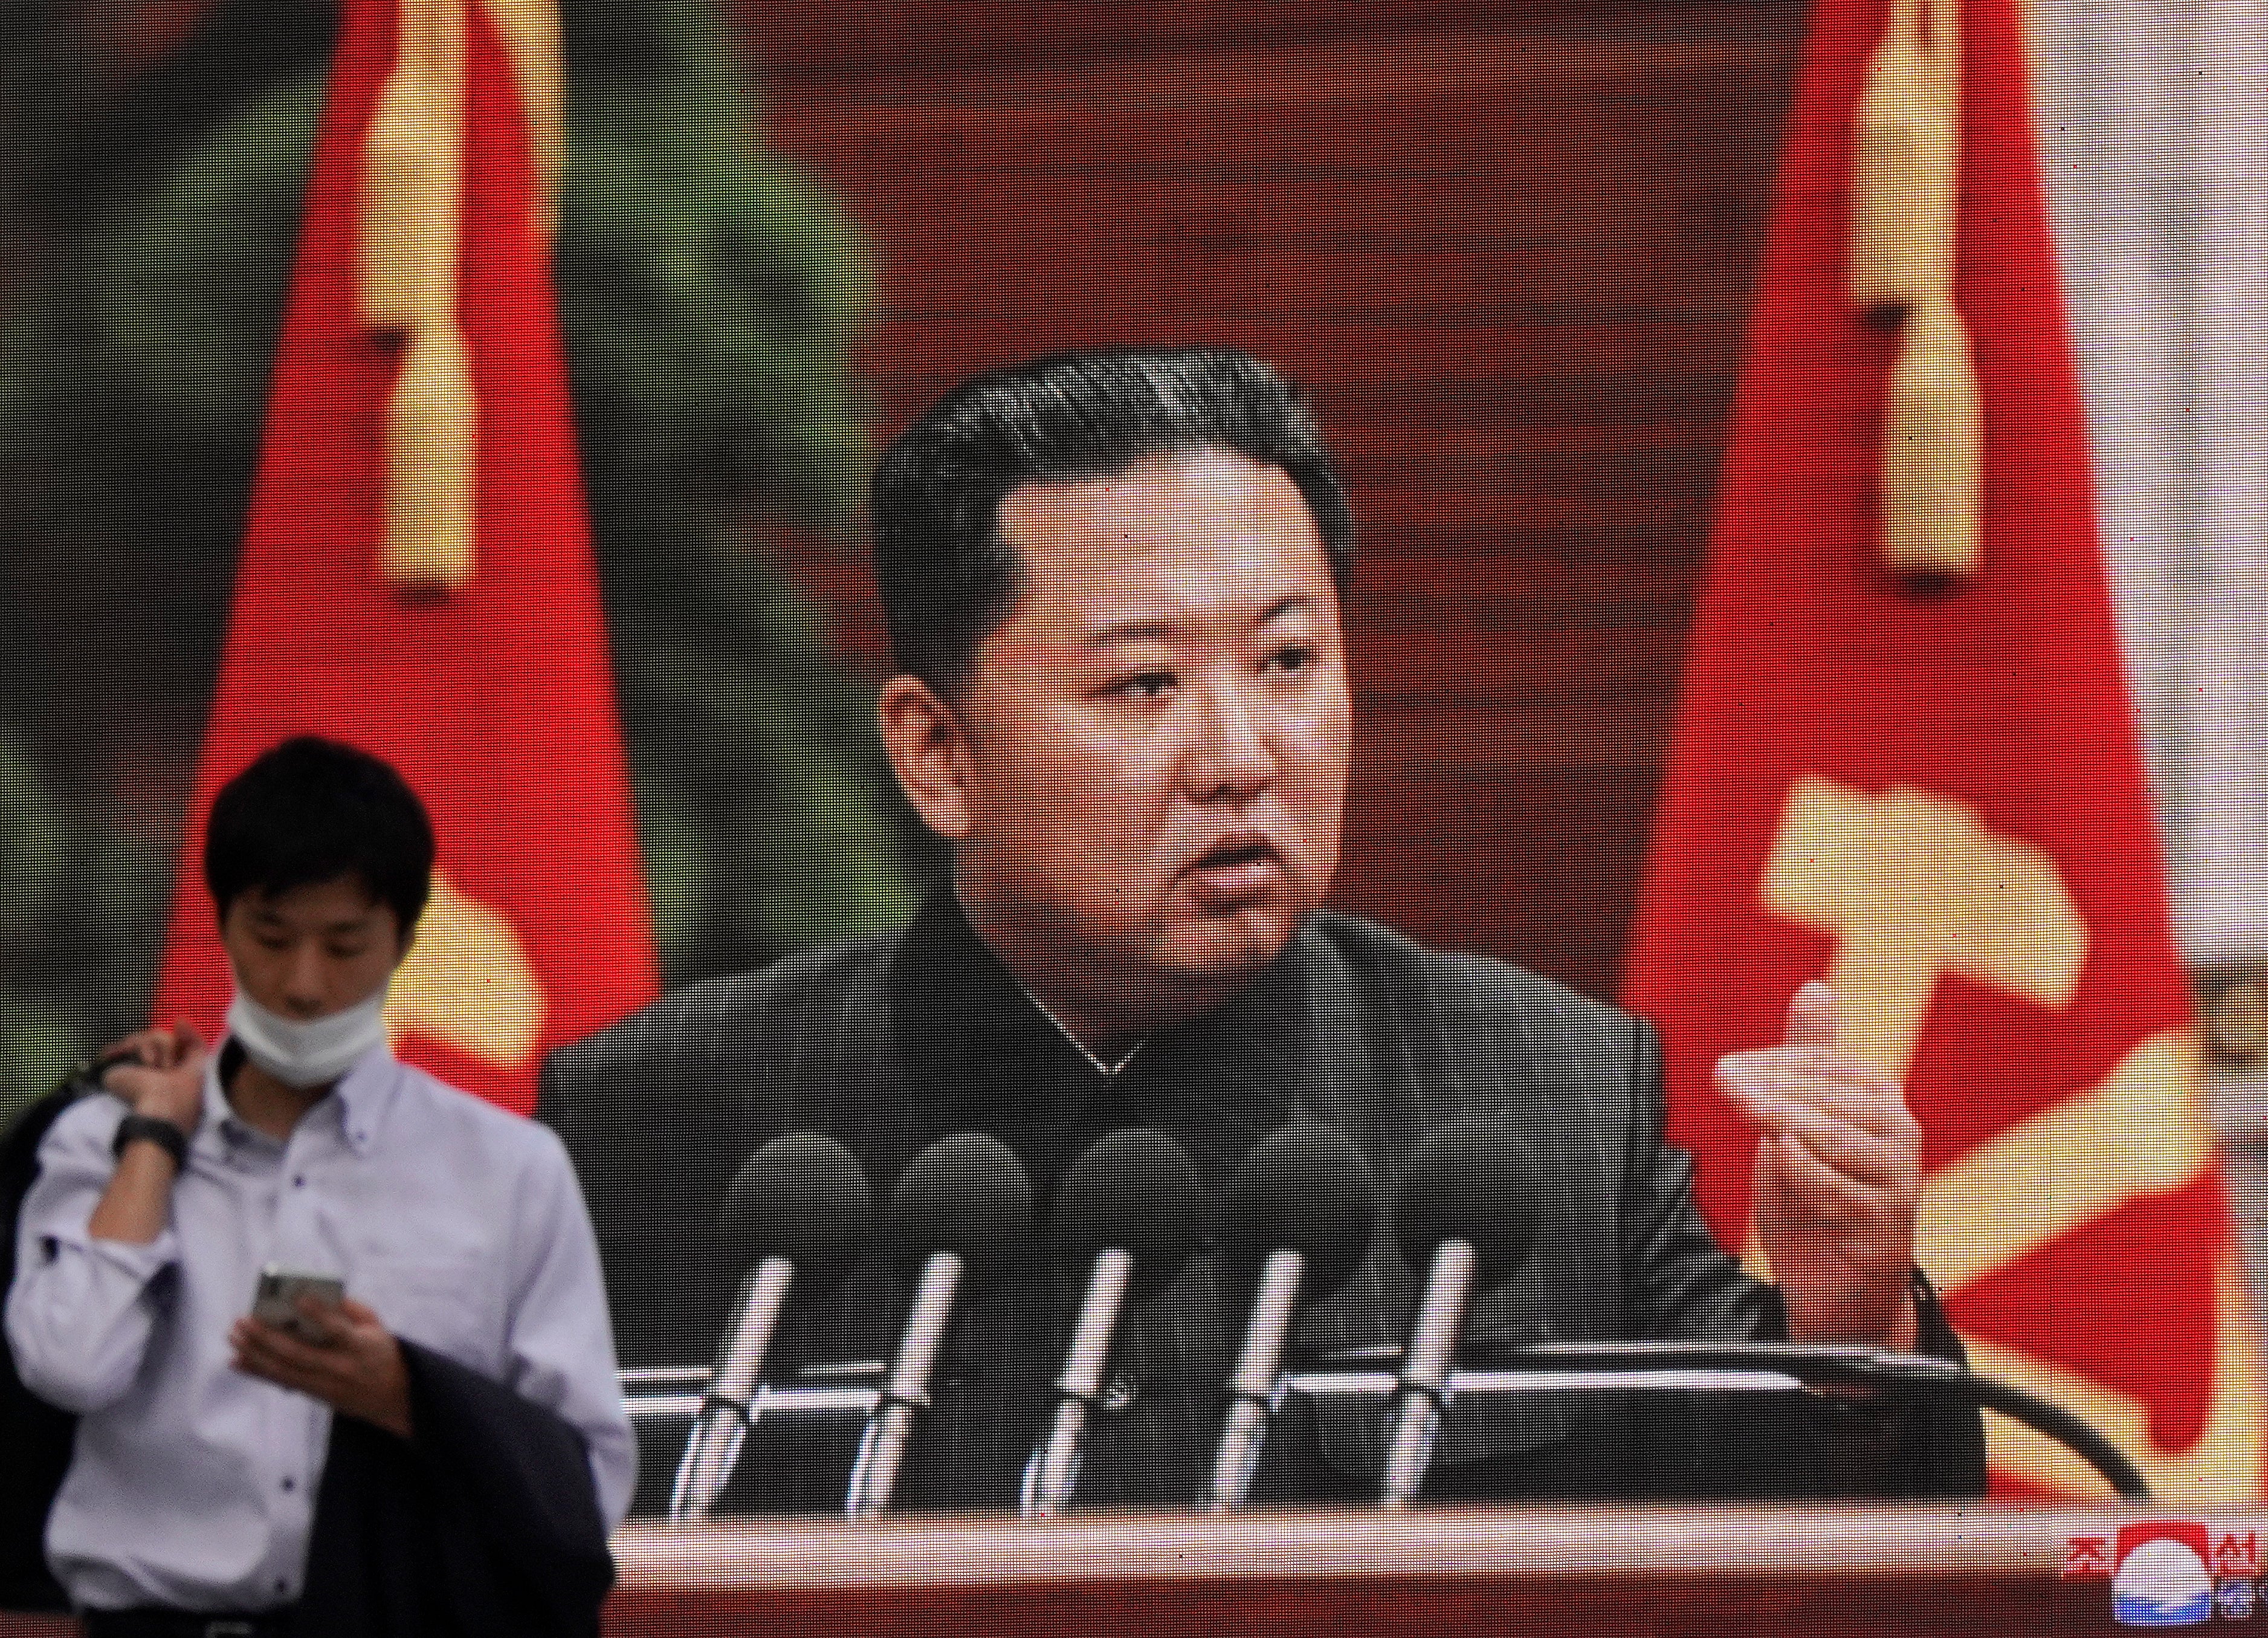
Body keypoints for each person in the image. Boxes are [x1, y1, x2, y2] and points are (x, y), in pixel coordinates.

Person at [539, 348, 1984, 1510]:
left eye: (1289, 660)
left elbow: (1818, 1562)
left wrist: (1853, 1329)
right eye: (1145, 686)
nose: (1242, 752)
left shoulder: (1542, 1091)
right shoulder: (663, 1125)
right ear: (938, 754)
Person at [6, 736, 634, 1631]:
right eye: (272, 936)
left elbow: (587, 1480)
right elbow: (68, 1363)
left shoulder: (509, 1169)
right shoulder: (99, 1143)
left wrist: (414, 1397)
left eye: (345, 943)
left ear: (404, 939)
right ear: (223, 923)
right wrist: (154, 1137)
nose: (304, 983)